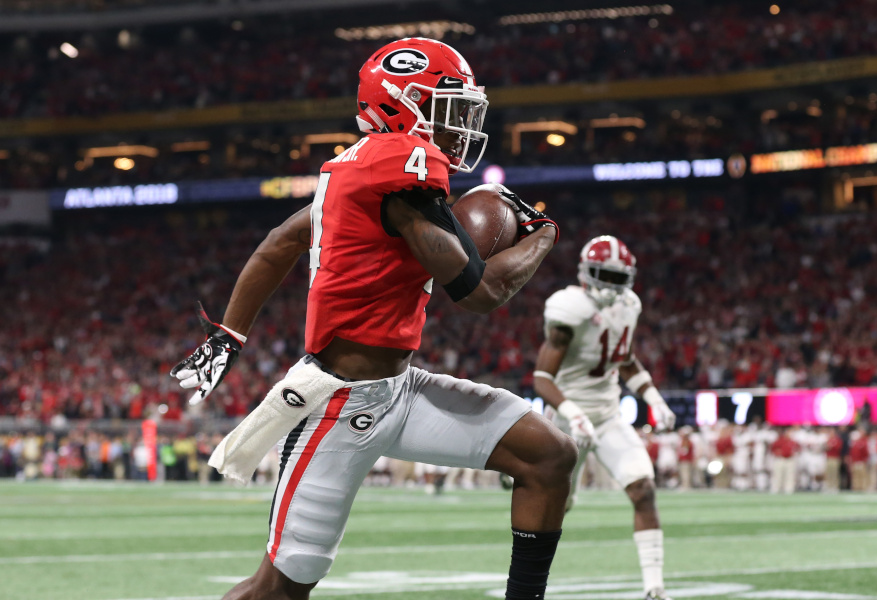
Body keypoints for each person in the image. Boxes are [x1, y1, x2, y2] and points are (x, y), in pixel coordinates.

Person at [170, 38, 577, 600]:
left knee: (548, 454)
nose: (460, 122)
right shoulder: (397, 170)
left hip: (400, 391)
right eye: (446, 104)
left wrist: (229, 334)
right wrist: (544, 236)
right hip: (338, 404)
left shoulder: (356, 171)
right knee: (278, 590)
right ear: (400, 102)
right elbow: (482, 292)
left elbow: (277, 243)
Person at [532, 235, 677, 600]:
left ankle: (654, 588)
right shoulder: (570, 308)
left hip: (608, 415)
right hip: (566, 419)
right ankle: (529, 584)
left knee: (643, 488)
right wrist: (572, 413)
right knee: (556, 507)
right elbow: (542, 379)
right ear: (586, 272)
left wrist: (652, 396)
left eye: (618, 277)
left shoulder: (629, 306)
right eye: (604, 276)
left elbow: (624, 359)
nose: (611, 286)